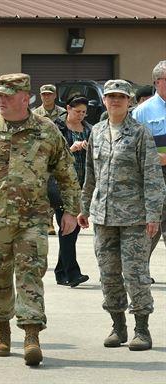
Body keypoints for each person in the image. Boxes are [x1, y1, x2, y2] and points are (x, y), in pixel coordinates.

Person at [0, 73, 81, 366]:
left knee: (30, 273)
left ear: (25, 98)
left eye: (8, 96)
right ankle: (1, 327)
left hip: (33, 218)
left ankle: (32, 333)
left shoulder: (47, 130)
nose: (0, 101)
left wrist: (72, 210)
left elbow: (66, 173)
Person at [79, 80, 165, 352]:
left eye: (120, 97)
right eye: (110, 97)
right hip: (103, 217)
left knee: (135, 273)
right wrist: (83, 207)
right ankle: (118, 326)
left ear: (129, 101)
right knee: (109, 274)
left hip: (134, 218)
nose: (115, 101)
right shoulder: (98, 132)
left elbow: (153, 177)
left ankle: (142, 328)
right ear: (104, 101)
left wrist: (153, 215)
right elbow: (90, 174)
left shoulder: (140, 133)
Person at [49, 95, 91, 287]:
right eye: (77, 111)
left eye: (83, 112)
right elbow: (50, 154)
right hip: (61, 185)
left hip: (83, 186)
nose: (80, 115)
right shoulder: (57, 128)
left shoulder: (89, 129)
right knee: (68, 227)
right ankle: (72, 273)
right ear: (68, 109)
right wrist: (70, 149)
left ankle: (61, 272)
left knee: (71, 230)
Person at [133, 61, 166, 255]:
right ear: (157, 82)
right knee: (151, 228)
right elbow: (133, 148)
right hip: (155, 175)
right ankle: (139, 269)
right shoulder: (143, 111)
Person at [34, 84, 67, 236]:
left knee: (59, 188)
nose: (46, 97)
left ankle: (63, 218)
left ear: (55, 96)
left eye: (49, 94)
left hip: (60, 154)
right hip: (43, 155)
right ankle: (48, 222)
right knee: (45, 188)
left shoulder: (63, 114)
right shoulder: (35, 114)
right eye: (44, 94)